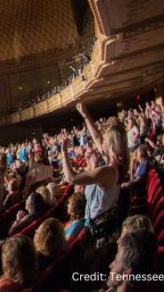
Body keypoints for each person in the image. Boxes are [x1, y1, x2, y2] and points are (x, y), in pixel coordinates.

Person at [61, 102, 128, 246]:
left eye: (105, 140)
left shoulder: (106, 171)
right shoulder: (119, 164)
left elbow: (71, 178)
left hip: (98, 230)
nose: (100, 142)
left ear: (109, 145)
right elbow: (97, 138)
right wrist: (85, 115)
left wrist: (63, 152)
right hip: (106, 222)